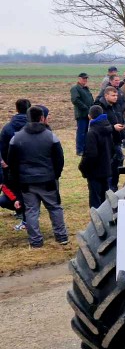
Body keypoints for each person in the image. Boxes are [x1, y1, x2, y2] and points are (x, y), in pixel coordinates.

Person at [6, 106, 68, 247]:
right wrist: (55, 175)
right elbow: (59, 159)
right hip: (48, 180)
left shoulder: (17, 138)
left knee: (31, 211)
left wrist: (17, 179)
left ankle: (36, 241)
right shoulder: (51, 136)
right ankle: (61, 236)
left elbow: (12, 162)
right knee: (54, 208)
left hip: (26, 182)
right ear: (42, 118)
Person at [79, 105, 115, 209]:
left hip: (94, 171)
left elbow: (91, 154)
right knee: (105, 199)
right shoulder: (108, 128)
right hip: (106, 168)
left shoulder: (92, 132)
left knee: (95, 199)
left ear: (90, 116)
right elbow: (112, 149)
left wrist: (83, 167)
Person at [96, 87, 125, 190]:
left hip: (117, 139)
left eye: (116, 95)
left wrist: (123, 129)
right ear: (106, 95)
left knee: (118, 162)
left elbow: (121, 118)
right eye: (113, 95)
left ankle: (114, 186)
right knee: (109, 164)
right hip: (106, 141)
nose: (115, 97)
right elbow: (98, 127)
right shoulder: (99, 108)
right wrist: (113, 128)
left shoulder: (117, 106)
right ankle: (108, 188)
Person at [0, 99, 31, 181]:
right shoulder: (38, 128)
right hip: (33, 170)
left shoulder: (7, 128)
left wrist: (4, 164)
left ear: (17, 109)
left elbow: (2, 149)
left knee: (10, 193)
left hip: (11, 170)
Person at [70, 72, 94, 155]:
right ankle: (79, 150)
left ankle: (85, 148)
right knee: (81, 132)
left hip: (88, 114)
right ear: (79, 79)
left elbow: (90, 99)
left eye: (86, 78)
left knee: (87, 132)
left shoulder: (86, 88)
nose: (85, 80)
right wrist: (86, 109)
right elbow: (75, 100)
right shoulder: (75, 88)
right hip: (81, 114)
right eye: (83, 78)